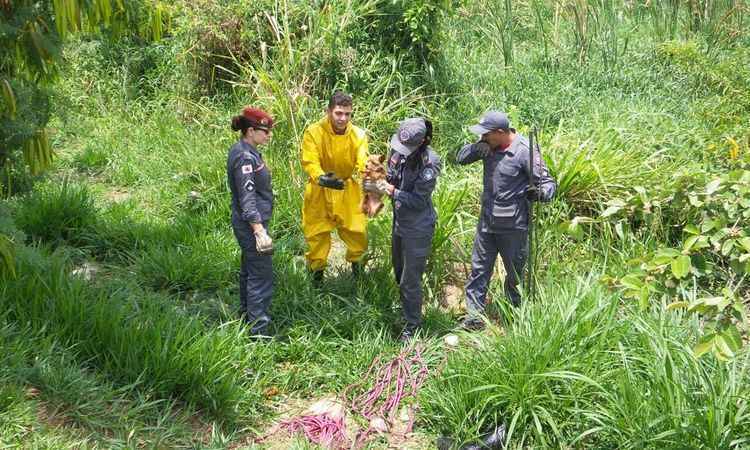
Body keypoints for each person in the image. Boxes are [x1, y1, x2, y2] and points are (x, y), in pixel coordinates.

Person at [456, 111, 556, 330]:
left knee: (515, 273)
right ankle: (474, 319)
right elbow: (460, 158)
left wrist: (540, 193)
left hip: (513, 226)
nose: (482, 137)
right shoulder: (487, 145)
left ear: (500, 133)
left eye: (486, 135)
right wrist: (476, 149)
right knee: (479, 270)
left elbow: (548, 183)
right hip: (487, 223)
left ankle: (513, 317)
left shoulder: (524, 151)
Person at [366, 118, 441, 341]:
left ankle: (413, 326)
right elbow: (390, 175)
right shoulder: (398, 152)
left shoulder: (430, 163)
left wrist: (391, 191)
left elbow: (418, 200)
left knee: (411, 278)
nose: (401, 152)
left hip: (418, 226)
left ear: (423, 143)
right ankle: (407, 310)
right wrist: (375, 176)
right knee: (399, 271)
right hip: (400, 221)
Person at [301, 91, 369, 283]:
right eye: (339, 113)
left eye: (347, 114)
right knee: (316, 235)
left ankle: (359, 279)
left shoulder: (358, 135)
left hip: (347, 188)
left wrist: (370, 172)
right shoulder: (313, 132)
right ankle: (316, 282)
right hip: (319, 190)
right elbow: (310, 160)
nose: (343, 118)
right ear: (329, 111)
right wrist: (321, 177)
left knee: (358, 232)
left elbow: (363, 160)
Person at [227, 107, 275, 337]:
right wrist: (259, 231)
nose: (268, 135)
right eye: (264, 131)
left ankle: (247, 316)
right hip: (251, 224)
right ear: (250, 131)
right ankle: (259, 332)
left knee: (249, 270)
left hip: (248, 222)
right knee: (261, 276)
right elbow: (247, 199)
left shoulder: (246, 150)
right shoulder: (245, 157)